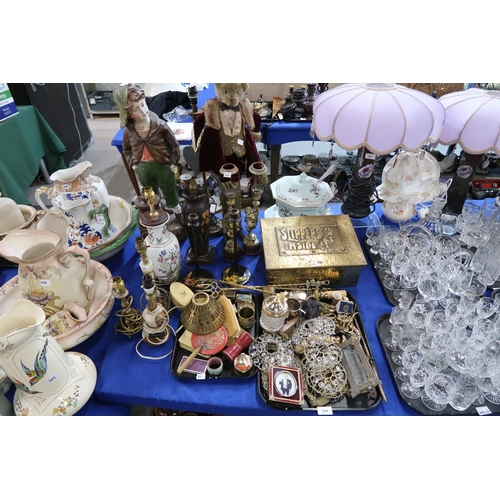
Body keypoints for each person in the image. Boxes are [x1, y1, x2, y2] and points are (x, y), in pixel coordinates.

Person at [113, 83, 182, 215]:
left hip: (162, 163)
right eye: (136, 110)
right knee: (149, 190)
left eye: (143, 105)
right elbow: (126, 149)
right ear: (128, 114)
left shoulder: (160, 125)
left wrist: (173, 162)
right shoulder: (129, 131)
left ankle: (174, 206)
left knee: (168, 186)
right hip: (142, 166)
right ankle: (156, 208)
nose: (143, 111)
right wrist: (133, 163)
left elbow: (173, 144)